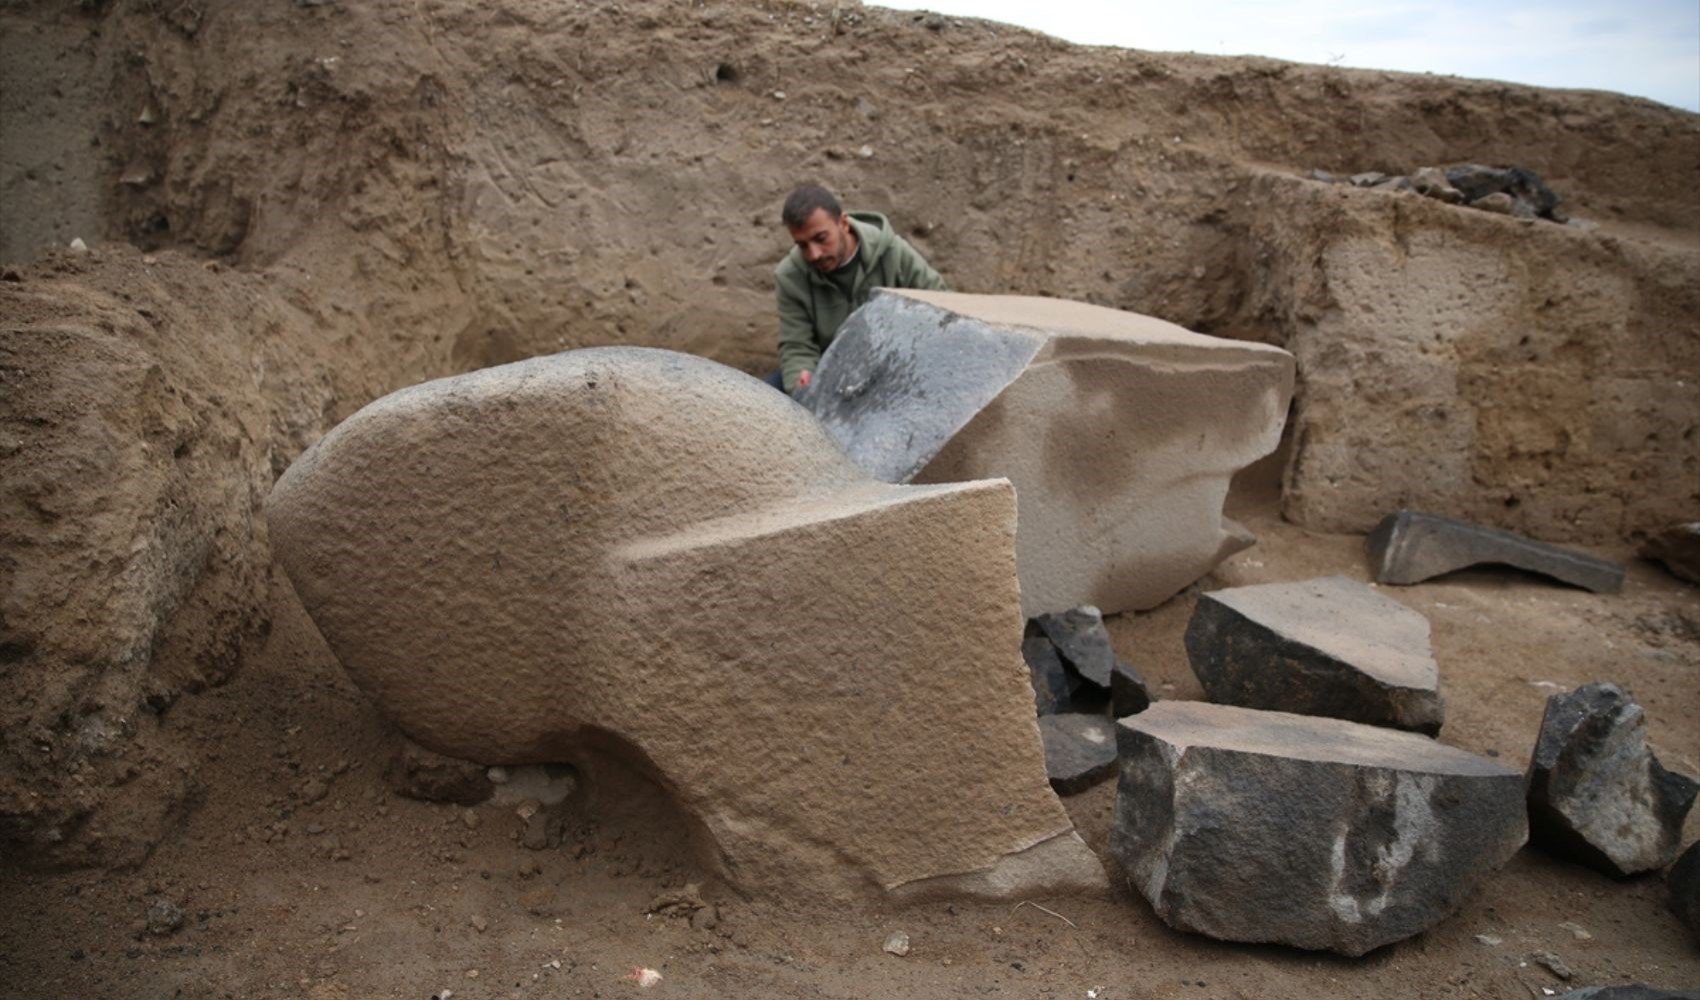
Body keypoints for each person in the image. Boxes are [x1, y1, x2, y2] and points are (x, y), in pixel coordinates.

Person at [769, 184, 946, 394]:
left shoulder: (893, 254)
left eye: (820, 239)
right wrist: (804, 386)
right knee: (764, 400)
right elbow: (797, 346)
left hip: (892, 369)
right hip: (828, 376)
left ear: (843, 223)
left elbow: (942, 305)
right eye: (802, 245)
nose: (813, 254)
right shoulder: (790, 276)